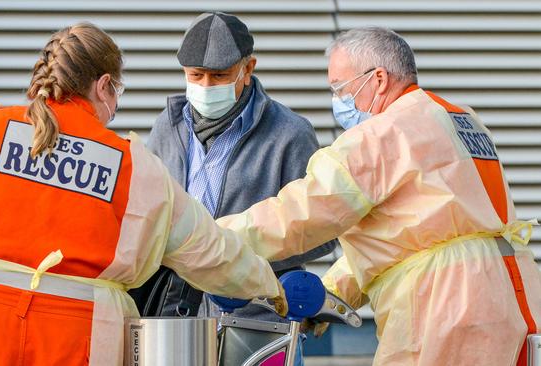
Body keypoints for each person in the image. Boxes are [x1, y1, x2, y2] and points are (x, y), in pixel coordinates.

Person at [0, 23, 287, 366]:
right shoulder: (134, 166)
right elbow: (208, 250)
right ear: (102, 85)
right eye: (116, 91)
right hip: (78, 335)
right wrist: (267, 286)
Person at [215, 26, 541, 366]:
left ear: (380, 79)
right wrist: (334, 295)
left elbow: (303, 212)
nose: (338, 101)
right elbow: (409, 237)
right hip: (513, 296)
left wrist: (213, 240)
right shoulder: (461, 120)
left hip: (442, 307)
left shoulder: (384, 134)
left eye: (339, 88)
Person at [139, 11, 335, 359]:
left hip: (259, 323)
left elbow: (322, 232)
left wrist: (234, 249)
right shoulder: (166, 128)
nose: (205, 87)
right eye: (195, 76)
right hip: (173, 320)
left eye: (220, 76)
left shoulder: (290, 134)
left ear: (248, 68)